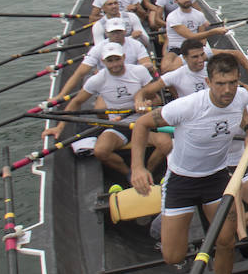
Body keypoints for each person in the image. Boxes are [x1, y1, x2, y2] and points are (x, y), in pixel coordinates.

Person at [129, 52, 248, 274]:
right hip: (182, 182)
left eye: (232, 82)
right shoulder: (187, 106)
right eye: (220, 83)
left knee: (226, 242)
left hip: (216, 178)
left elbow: (243, 116)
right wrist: (138, 167)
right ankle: (163, 221)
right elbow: (142, 123)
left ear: (238, 81)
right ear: (207, 81)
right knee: (173, 256)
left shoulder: (240, 96)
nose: (227, 90)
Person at [46, 43, 171, 177]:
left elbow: (157, 100)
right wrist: (59, 127)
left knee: (166, 144)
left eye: (117, 59)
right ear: (103, 61)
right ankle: (129, 175)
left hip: (143, 122)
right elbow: (77, 102)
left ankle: (147, 173)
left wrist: (146, 103)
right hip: (118, 125)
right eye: (110, 61)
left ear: (124, 57)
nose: (114, 64)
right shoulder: (97, 80)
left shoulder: (139, 72)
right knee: (100, 151)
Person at [162, 0, 227, 72]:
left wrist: (202, 50)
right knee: (165, 68)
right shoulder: (173, 17)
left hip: (195, 48)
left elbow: (202, 38)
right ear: (175, 1)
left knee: (230, 57)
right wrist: (214, 31)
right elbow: (190, 36)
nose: (186, 0)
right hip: (177, 49)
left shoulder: (199, 15)